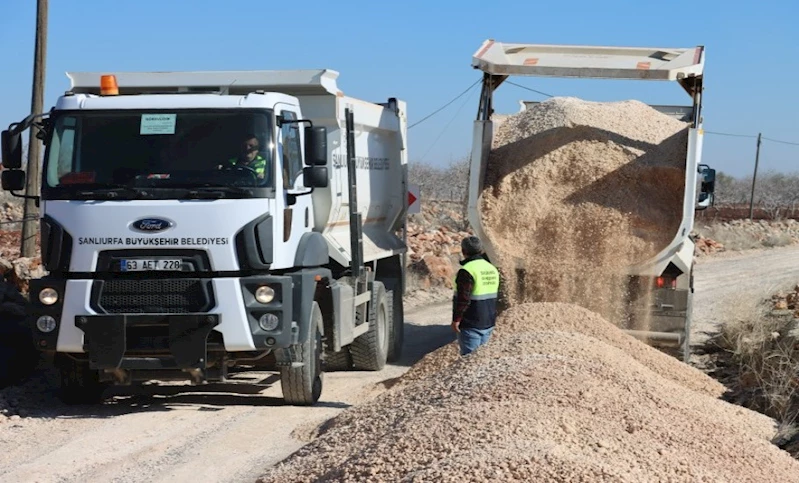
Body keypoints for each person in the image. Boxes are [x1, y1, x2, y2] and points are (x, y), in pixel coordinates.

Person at [451, 236, 500, 356]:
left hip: (471, 323)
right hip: (488, 321)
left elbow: (464, 298)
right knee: (481, 361)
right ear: (481, 250)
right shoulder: (492, 269)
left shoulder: (467, 270)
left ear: (463, 251)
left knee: (469, 360)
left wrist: (456, 320)